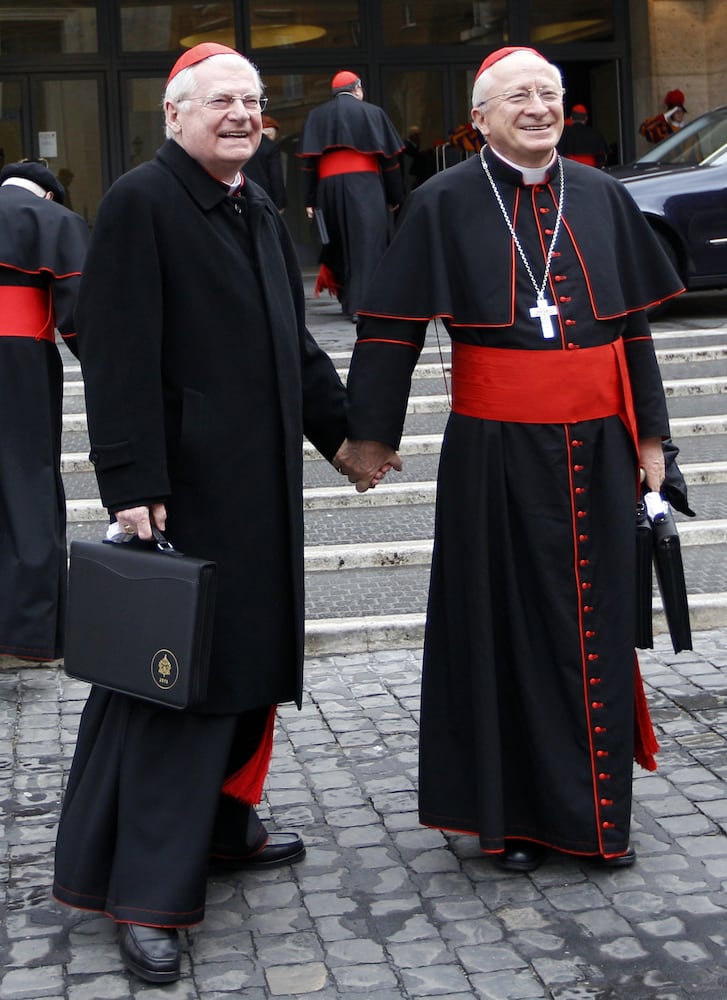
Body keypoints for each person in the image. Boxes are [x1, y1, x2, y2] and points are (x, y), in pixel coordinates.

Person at [334, 46, 684, 874]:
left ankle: (596, 820)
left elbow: (632, 328)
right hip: (494, 451)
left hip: (599, 447)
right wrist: (369, 438)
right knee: (503, 625)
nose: (537, 107)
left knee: (597, 625)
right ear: (480, 118)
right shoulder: (442, 200)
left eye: (548, 93)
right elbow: (390, 328)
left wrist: (652, 441)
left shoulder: (600, 195)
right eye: (517, 96)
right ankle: (515, 820)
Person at [52, 42, 347, 984]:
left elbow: (293, 346)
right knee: (176, 691)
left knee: (247, 669)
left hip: (260, 491)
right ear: (174, 114)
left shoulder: (254, 202)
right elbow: (115, 351)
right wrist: (129, 482)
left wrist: (345, 437)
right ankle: (144, 894)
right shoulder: (141, 201)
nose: (240, 115)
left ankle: (222, 825)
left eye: (251, 102)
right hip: (183, 491)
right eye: (220, 101)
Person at [0, 159, 88, 664]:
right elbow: (81, 315)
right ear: (49, 194)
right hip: (22, 362)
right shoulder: (54, 220)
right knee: (27, 483)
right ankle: (26, 631)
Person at [297, 70, 405, 319]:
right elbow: (389, 161)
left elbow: (309, 164)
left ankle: (348, 301)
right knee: (367, 245)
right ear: (357, 89)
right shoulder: (373, 113)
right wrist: (394, 197)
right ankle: (363, 306)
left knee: (338, 244)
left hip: (328, 190)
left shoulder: (316, 116)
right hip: (365, 186)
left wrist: (309, 200)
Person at [243, 113, 286, 210]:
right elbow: (276, 177)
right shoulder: (270, 146)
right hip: (265, 199)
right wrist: (280, 204)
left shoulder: (239, 144)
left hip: (240, 198)